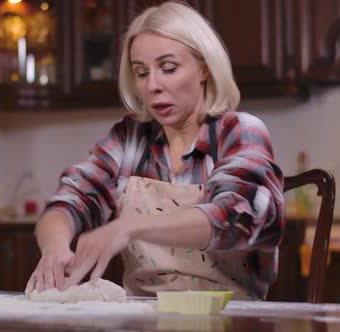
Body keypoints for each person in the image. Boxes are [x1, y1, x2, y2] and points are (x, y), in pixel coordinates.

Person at [25, 0, 284, 301]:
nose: (153, 86)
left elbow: (237, 216)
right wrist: (55, 247)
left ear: (203, 68)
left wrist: (129, 227)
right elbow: (70, 201)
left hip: (229, 318)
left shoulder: (239, 131)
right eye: (141, 72)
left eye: (168, 68)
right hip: (141, 317)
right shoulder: (130, 138)